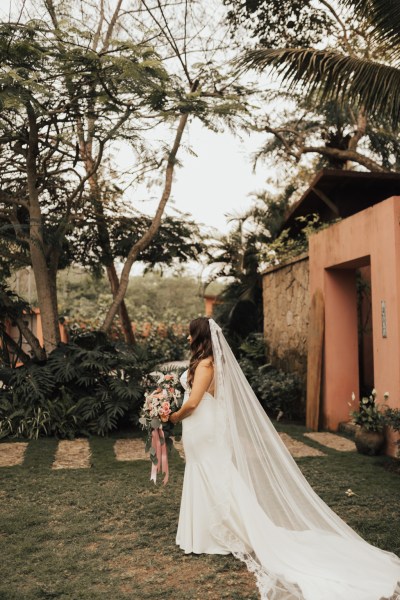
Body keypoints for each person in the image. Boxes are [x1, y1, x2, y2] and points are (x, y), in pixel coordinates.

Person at [169, 317, 400, 600]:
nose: (188, 337)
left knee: (213, 473)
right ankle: (205, 532)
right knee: (207, 472)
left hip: (203, 425)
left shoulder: (206, 364)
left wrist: (172, 416)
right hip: (200, 429)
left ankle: (225, 533)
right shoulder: (205, 362)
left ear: (199, 335)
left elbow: (193, 402)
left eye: (191, 333)